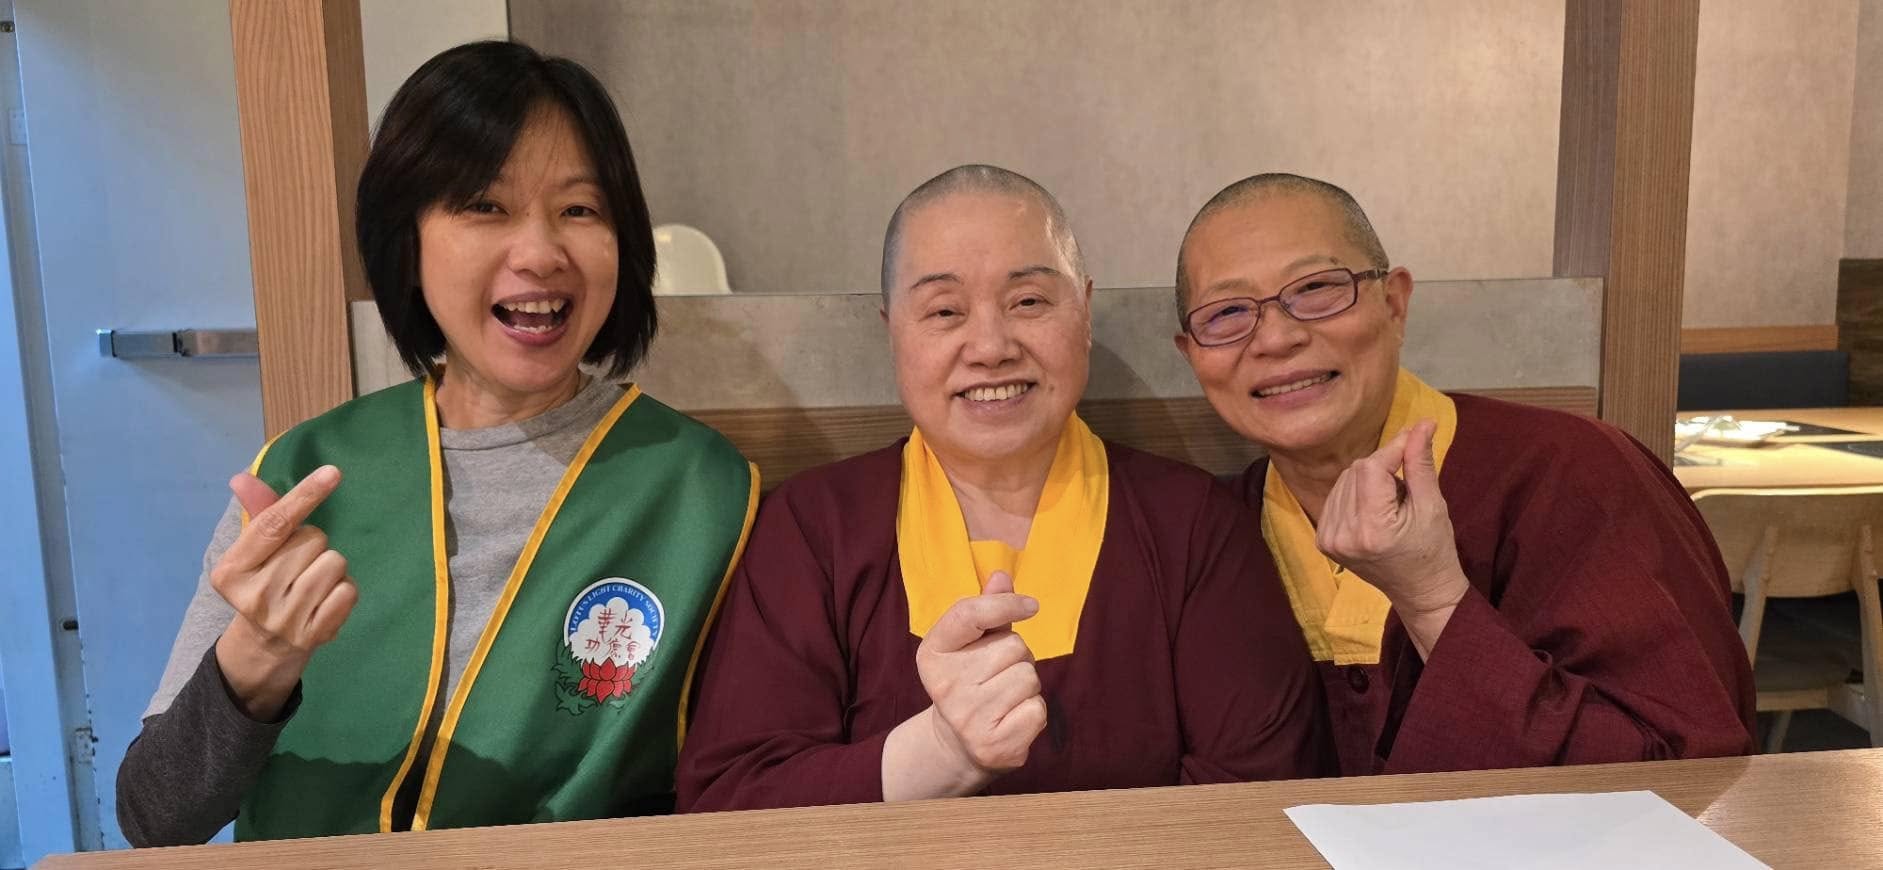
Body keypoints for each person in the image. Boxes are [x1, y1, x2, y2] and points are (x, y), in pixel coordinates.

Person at [117, 41, 757, 843]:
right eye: (485, 206)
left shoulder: (707, 495)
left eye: (580, 210)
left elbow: (745, 795)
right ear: (407, 242)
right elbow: (156, 819)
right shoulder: (303, 476)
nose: (541, 253)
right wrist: (257, 660)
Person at [675, 165, 1328, 812]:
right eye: (944, 311)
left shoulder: (1190, 523)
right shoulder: (815, 527)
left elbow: (1264, 793)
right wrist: (936, 754)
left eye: (1028, 302)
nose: (990, 347)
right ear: (891, 332)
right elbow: (730, 801)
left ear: (1085, 313)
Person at [1171, 172, 1756, 776]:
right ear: (1191, 355)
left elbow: (1690, 774)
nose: (1277, 338)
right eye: (1227, 313)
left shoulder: (1570, 472)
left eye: (1317, 288)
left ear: (1394, 304)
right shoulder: (1211, 533)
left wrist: (1432, 601)